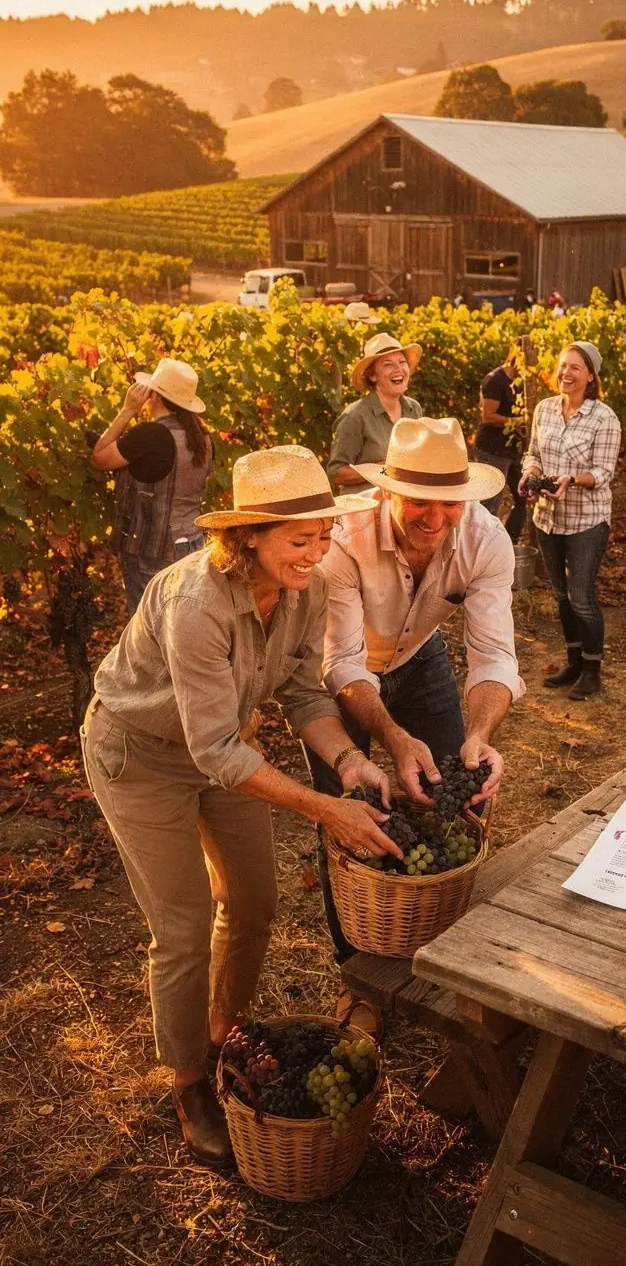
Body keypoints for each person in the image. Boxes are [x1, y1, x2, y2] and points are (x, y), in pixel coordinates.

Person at [80, 446, 400, 1166]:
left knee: (254, 903)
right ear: (247, 535)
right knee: (185, 921)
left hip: (221, 748)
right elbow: (216, 750)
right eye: (299, 538)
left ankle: (223, 1034)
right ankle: (190, 1081)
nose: (316, 553)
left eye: (323, 535)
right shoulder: (196, 602)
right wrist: (324, 808)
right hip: (139, 756)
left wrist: (348, 761)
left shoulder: (304, 588)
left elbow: (304, 692)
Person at [308, 416, 525, 1027]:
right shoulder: (343, 539)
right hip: (342, 671)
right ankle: (356, 975)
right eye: (419, 504)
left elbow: (494, 656)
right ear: (385, 492)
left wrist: (478, 736)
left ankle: (443, 944)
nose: (436, 518)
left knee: (457, 786)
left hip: (417, 655)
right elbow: (342, 663)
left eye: (450, 504)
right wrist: (394, 738)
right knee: (348, 814)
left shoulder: (487, 540)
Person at [521, 342, 621, 701]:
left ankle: (593, 670)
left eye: (576, 367)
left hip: (586, 521)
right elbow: (533, 453)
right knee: (561, 595)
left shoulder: (604, 417)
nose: (567, 372)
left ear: (590, 376)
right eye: (563, 366)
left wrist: (572, 480)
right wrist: (531, 474)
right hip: (548, 517)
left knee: (581, 596)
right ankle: (574, 661)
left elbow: (604, 471)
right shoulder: (545, 410)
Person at [91, 358, 213, 615]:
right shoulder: (203, 437)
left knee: (148, 632)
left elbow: (100, 456)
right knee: (180, 624)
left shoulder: (149, 435)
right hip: (192, 543)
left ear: (153, 396)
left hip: (151, 549)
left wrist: (128, 409)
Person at [326, 331, 423, 495]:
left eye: (402, 362)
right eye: (388, 365)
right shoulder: (355, 416)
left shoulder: (414, 409)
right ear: (372, 375)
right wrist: (383, 470)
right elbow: (336, 473)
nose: (398, 369)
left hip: (404, 504)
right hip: (365, 509)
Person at [474, 342, 526, 545]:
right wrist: (516, 422)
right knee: (490, 502)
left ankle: (506, 543)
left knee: (522, 497)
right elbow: (487, 416)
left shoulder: (522, 381)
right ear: (517, 356)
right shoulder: (495, 380)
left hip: (514, 450)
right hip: (492, 449)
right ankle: (482, 548)